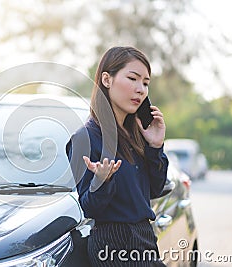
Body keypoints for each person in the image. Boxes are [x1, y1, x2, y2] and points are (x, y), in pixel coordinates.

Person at [66, 46, 168, 266]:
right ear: (107, 79)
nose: (140, 89)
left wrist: (155, 146)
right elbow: (89, 208)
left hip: (145, 239)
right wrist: (102, 180)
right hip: (113, 245)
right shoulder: (85, 138)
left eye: (145, 83)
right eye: (133, 78)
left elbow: (156, 189)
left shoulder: (138, 135)